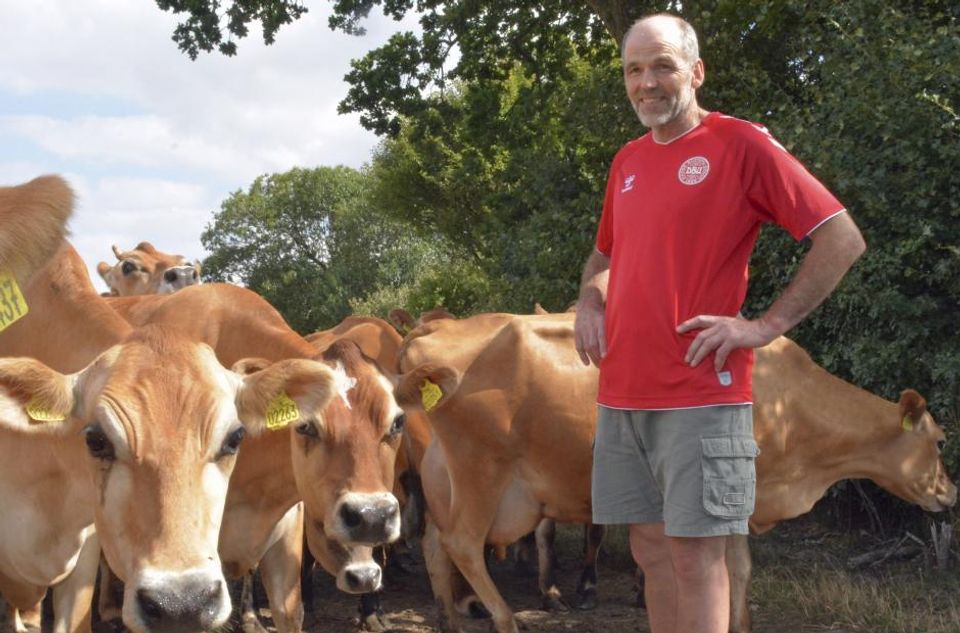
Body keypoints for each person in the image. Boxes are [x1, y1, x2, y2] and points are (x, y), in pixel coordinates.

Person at [573, 13, 866, 633]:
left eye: (663, 66)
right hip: (623, 394)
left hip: (702, 390)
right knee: (649, 553)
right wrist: (591, 302)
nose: (646, 83)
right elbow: (603, 258)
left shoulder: (739, 144)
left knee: (697, 558)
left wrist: (763, 326)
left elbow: (841, 238)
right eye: (633, 70)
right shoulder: (627, 161)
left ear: (696, 71)